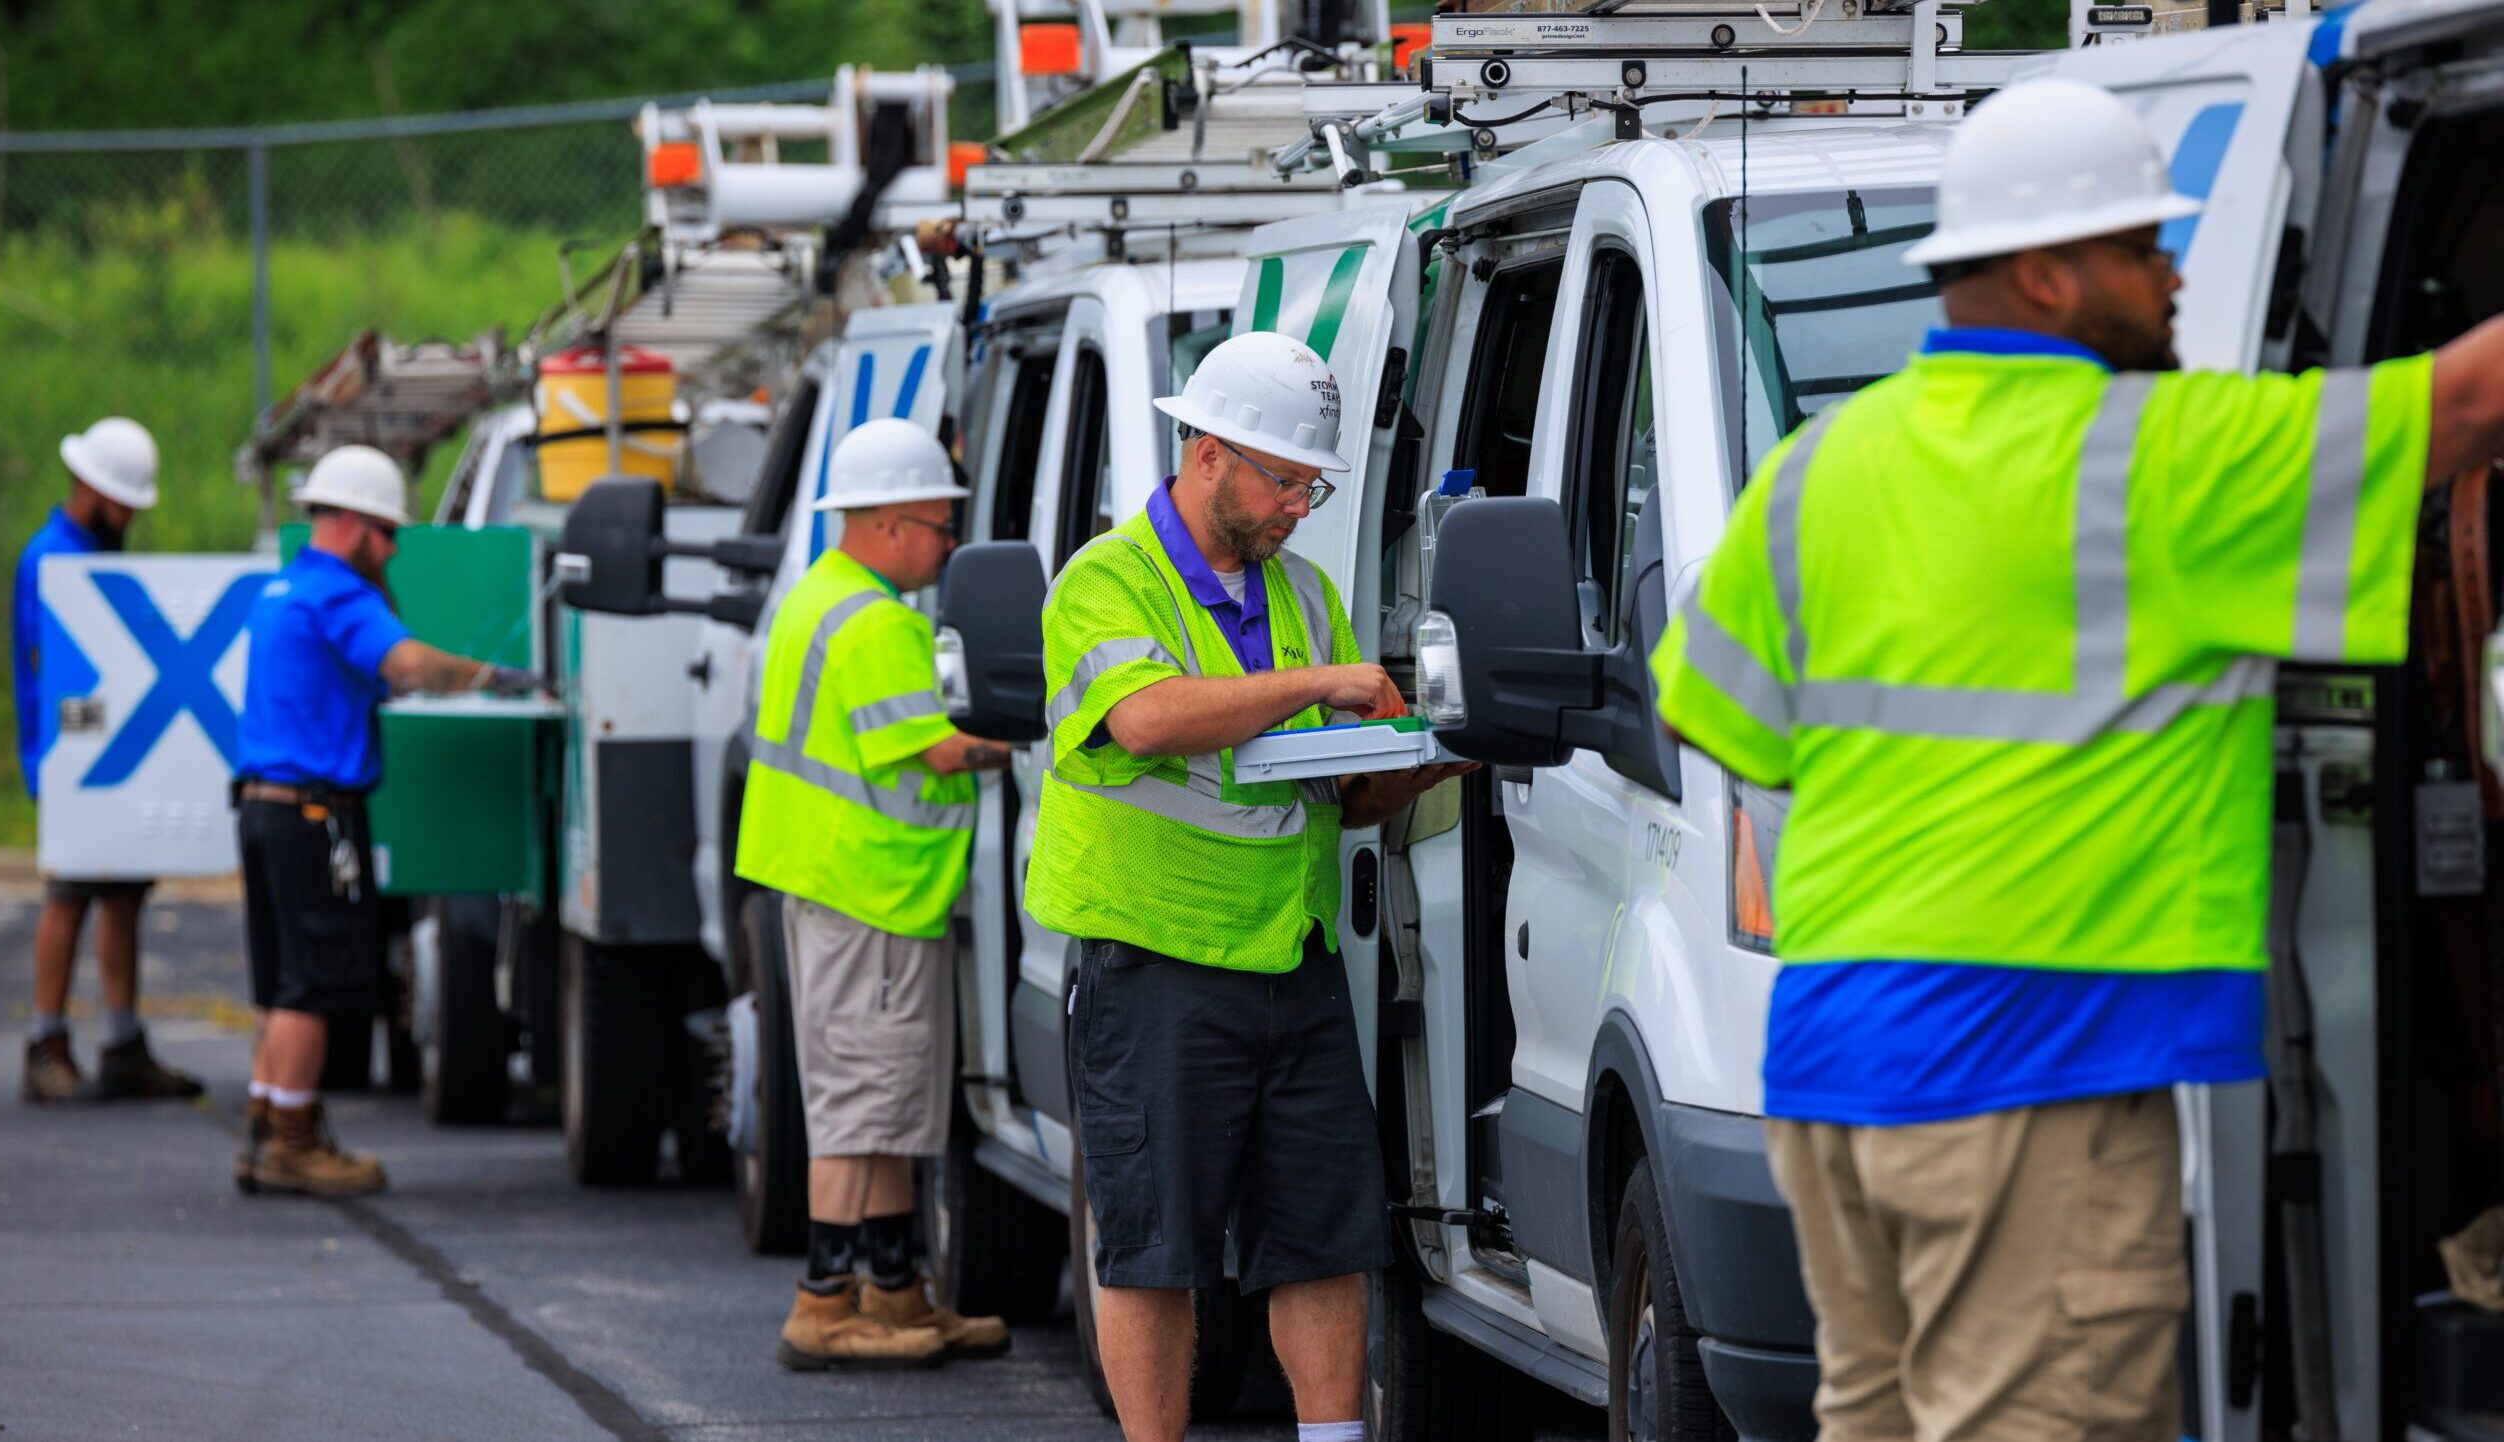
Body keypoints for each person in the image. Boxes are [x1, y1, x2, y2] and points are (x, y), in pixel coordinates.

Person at [1649, 77, 2504, 1442]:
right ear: (2050, 275)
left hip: (1831, 1077)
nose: (2172, 281)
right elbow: (2463, 409)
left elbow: (1708, 716)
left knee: (1880, 1419)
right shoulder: (2158, 462)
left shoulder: (1820, 467)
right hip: (2026, 1079)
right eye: (2143, 252)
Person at [1026, 333, 1471, 1442]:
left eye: (1312, 484)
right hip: (1155, 967)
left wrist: (1425, 755)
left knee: (1326, 1235)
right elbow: (1145, 719)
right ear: (1208, 453)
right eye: (1284, 478)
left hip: (1290, 953)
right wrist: (1320, 682)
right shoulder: (1105, 580)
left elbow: (1333, 799)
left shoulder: (1304, 591)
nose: (1299, 506)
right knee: (1155, 1247)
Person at [737, 419, 1016, 1371]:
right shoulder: (877, 624)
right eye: (941, 529)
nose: (946, 549)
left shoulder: (819, 598)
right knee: (862, 1101)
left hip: (846, 885)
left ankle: (894, 1291)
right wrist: (1047, 733)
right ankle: (823, 1304)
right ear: (895, 525)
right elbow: (940, 748)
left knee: (890, 1095)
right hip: (870, 891)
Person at [232, 446, 536, 1198]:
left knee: (279, 985)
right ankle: (295, 1146)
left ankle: (268, 1126)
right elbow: (406, 667)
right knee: (310, 985)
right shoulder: (339, 596)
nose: (395, 548)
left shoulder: (286, 587)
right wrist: (492, 676)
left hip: (264, 809)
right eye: (387, 533)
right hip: (313, 817)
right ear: (355, 524)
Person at [12, 417, 206, 1105]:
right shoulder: (52, 559)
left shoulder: (92, 552)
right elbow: (61, 670)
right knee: (70, 890)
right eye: (124, 500)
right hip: (75, 756)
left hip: (110, 755)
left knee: (123, 890)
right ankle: (46, 1043)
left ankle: (122, 1043)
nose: (129, 514)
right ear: (92, 489)